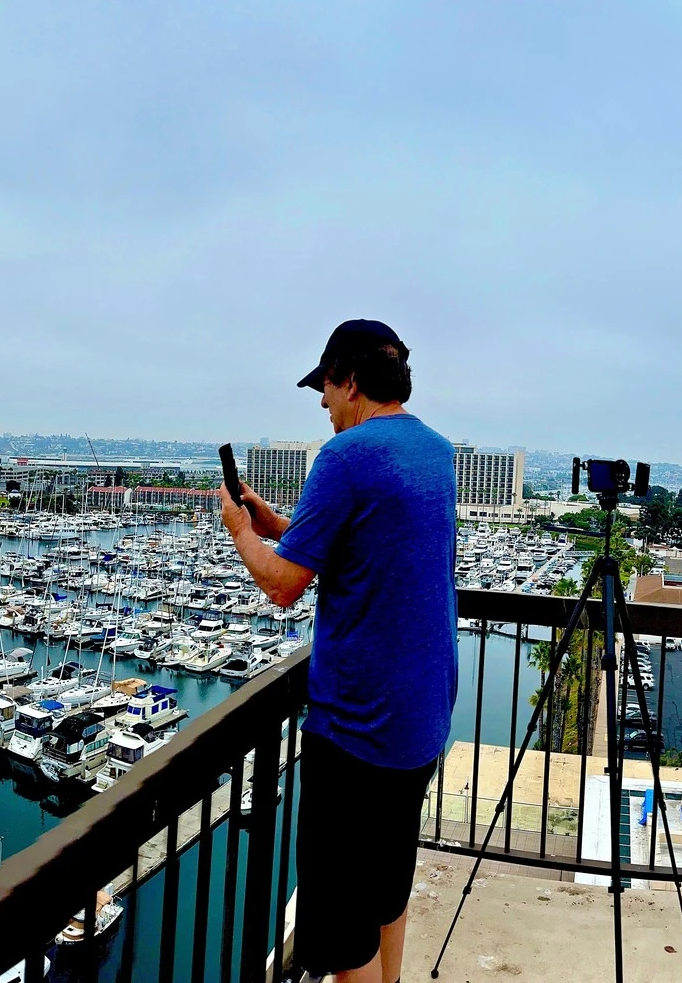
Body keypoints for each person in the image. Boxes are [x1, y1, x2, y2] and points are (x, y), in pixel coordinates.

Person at [218, 319, 457, 983]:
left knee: (343, 930)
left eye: (325, 389)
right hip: (421, 720)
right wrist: (277, 524)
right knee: (386, 894)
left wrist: (240, 531)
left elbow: (282, 586)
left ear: (350, 381)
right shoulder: (434, 450)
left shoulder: (346, 457)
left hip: (358, 729)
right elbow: (368, 543)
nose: (323, 405)